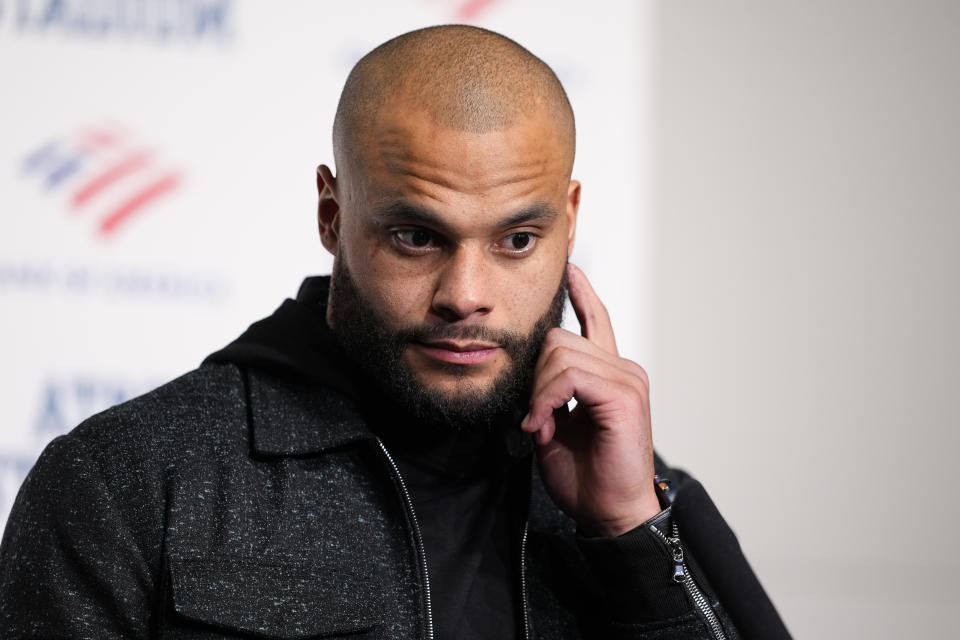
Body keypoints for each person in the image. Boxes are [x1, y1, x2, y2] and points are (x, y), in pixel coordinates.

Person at [0, 25, 789, 639]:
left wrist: (629, 540)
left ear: (569, 221)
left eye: (517, 240)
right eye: (416, 237)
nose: (466, 296)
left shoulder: (643, 497)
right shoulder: (128, 483)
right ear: (332, 215)